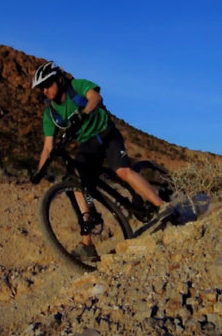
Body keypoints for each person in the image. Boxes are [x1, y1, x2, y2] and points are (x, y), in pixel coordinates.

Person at [31, 61, 168, 259]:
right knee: (77, 182)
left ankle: (162, 206)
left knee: (122, 171)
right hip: (88, 145)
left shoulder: (76, 86)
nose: (44, 91)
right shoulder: (50, 113)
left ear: (59, 80)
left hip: (106, 133)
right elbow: (47, 147)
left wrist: (83, 114)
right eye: (41, 88)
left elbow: (95, 97)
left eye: (47, 85)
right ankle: (88, 244)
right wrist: (39, 171)